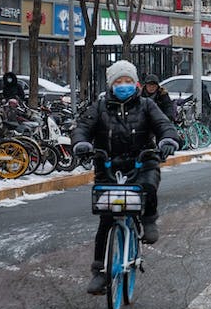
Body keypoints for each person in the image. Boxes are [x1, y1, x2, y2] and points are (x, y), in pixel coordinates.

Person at [72, 60, 178, 295]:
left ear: (135, 83)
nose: (123, 86)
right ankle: (100, 271)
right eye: (118, 82)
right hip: (108, 165)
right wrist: (81, 143)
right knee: (106, 218)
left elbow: (164, 125)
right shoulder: (99, 107)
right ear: (111, 85)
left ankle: (149, 219)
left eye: (127, 81)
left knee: (148, 185)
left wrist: (167, 140)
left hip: (142, 161)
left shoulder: (147, 105)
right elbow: (82, 128)